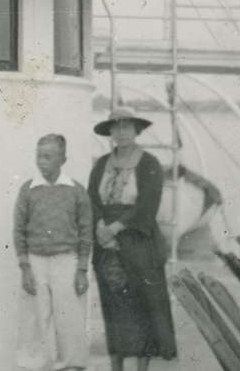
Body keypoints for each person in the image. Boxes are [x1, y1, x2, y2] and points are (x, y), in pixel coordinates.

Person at [87, 107, 176, 371]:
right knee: (113, 305)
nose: (122, 132)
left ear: (136, 130)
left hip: (138, 243)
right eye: (116, 127)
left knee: (142, 306)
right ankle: (116, 365)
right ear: (110, 132)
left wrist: (115, 229)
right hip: (106, 246)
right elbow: (92, 198)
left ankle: (141, 368)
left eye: (127, 127)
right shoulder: (101, 164)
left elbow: (148, 205)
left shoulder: (149, 163)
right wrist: (101, 226)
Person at [14, 133, 92, 371]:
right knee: (34, 321)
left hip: (66, 261)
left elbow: (86, 232)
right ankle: (32, 366)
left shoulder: (76, 191)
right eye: (39, 156)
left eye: (48, 156)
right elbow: (19, 231)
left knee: (69, 320)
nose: (41, 162)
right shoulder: (28, 190)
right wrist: (25, 268)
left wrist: (81, 270)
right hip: (36, 262)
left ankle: (72, 366)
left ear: (63, 159)